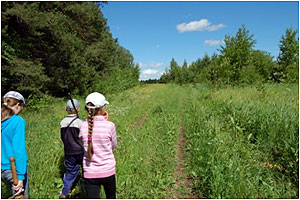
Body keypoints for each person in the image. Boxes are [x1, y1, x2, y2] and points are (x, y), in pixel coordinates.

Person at [79, 92, 117, 199]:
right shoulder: (110, 126)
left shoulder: (82, 127)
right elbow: (113, 145)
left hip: (90, 172)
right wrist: (105, 121)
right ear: (102, 109)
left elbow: (84, 146)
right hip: (108, 171)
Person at [1, 91, 29, 198]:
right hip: (13, 170)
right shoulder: (17, 121)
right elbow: (19, 150)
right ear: (18, 105)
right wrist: (20, 176)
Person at [59, 99, 84, 199]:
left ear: (66, 109)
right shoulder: (80, 122)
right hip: (81, 151)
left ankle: (64, 192)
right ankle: (84, 189)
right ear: (78, 109)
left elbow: (63, 137)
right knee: (86, 170)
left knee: (70, 172)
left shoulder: (62, 122)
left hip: (68, 151)